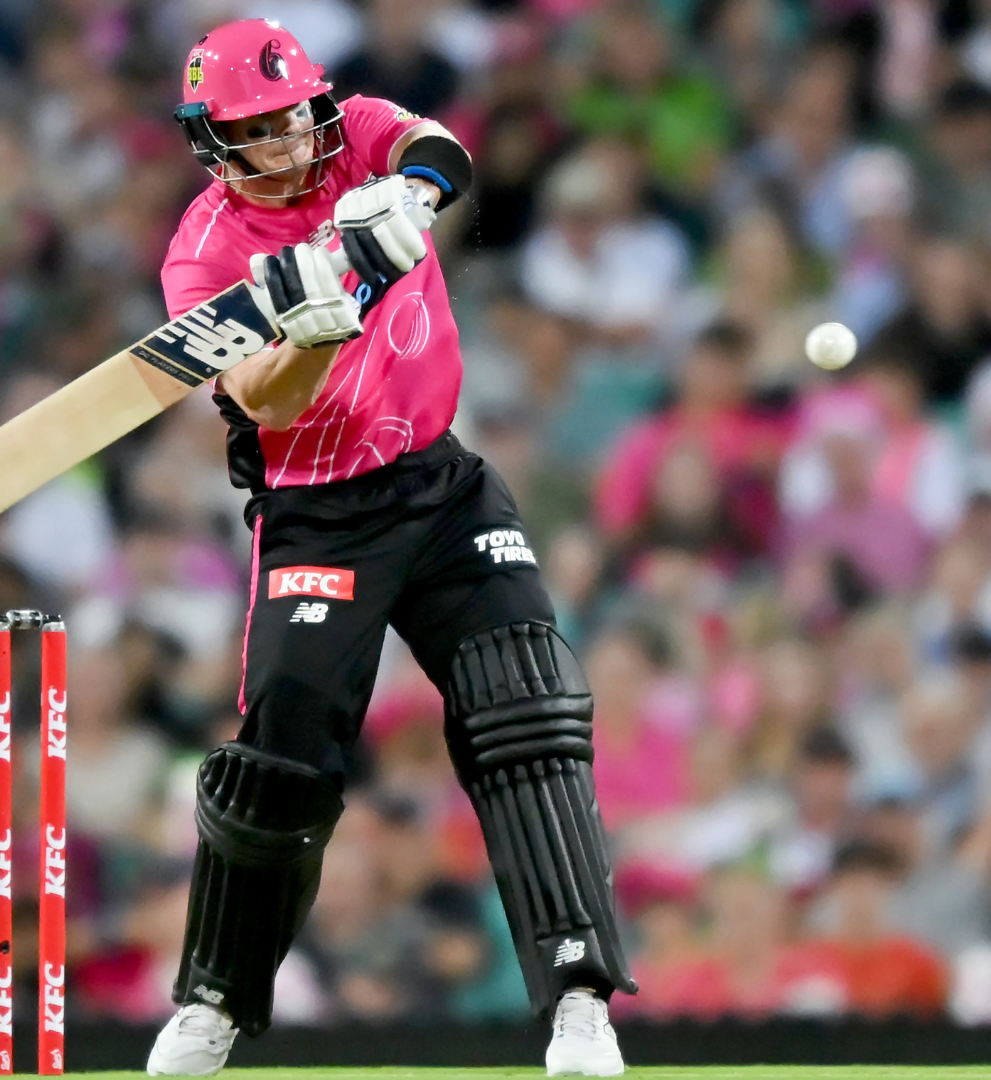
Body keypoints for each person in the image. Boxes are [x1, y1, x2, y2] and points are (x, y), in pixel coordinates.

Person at [149, 19, 635, 1077]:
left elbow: (441, 152)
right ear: (214, 146)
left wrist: (406, 204)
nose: (289, 146)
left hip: (441, 483)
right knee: (284, 748)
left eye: (295, 120)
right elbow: (249, 399)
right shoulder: (206, 252)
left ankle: (580, 1003)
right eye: (258, 133)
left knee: (527, 707)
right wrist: (306, 342)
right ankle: (216, 1002)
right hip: (318, 511)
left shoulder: (357, 135)